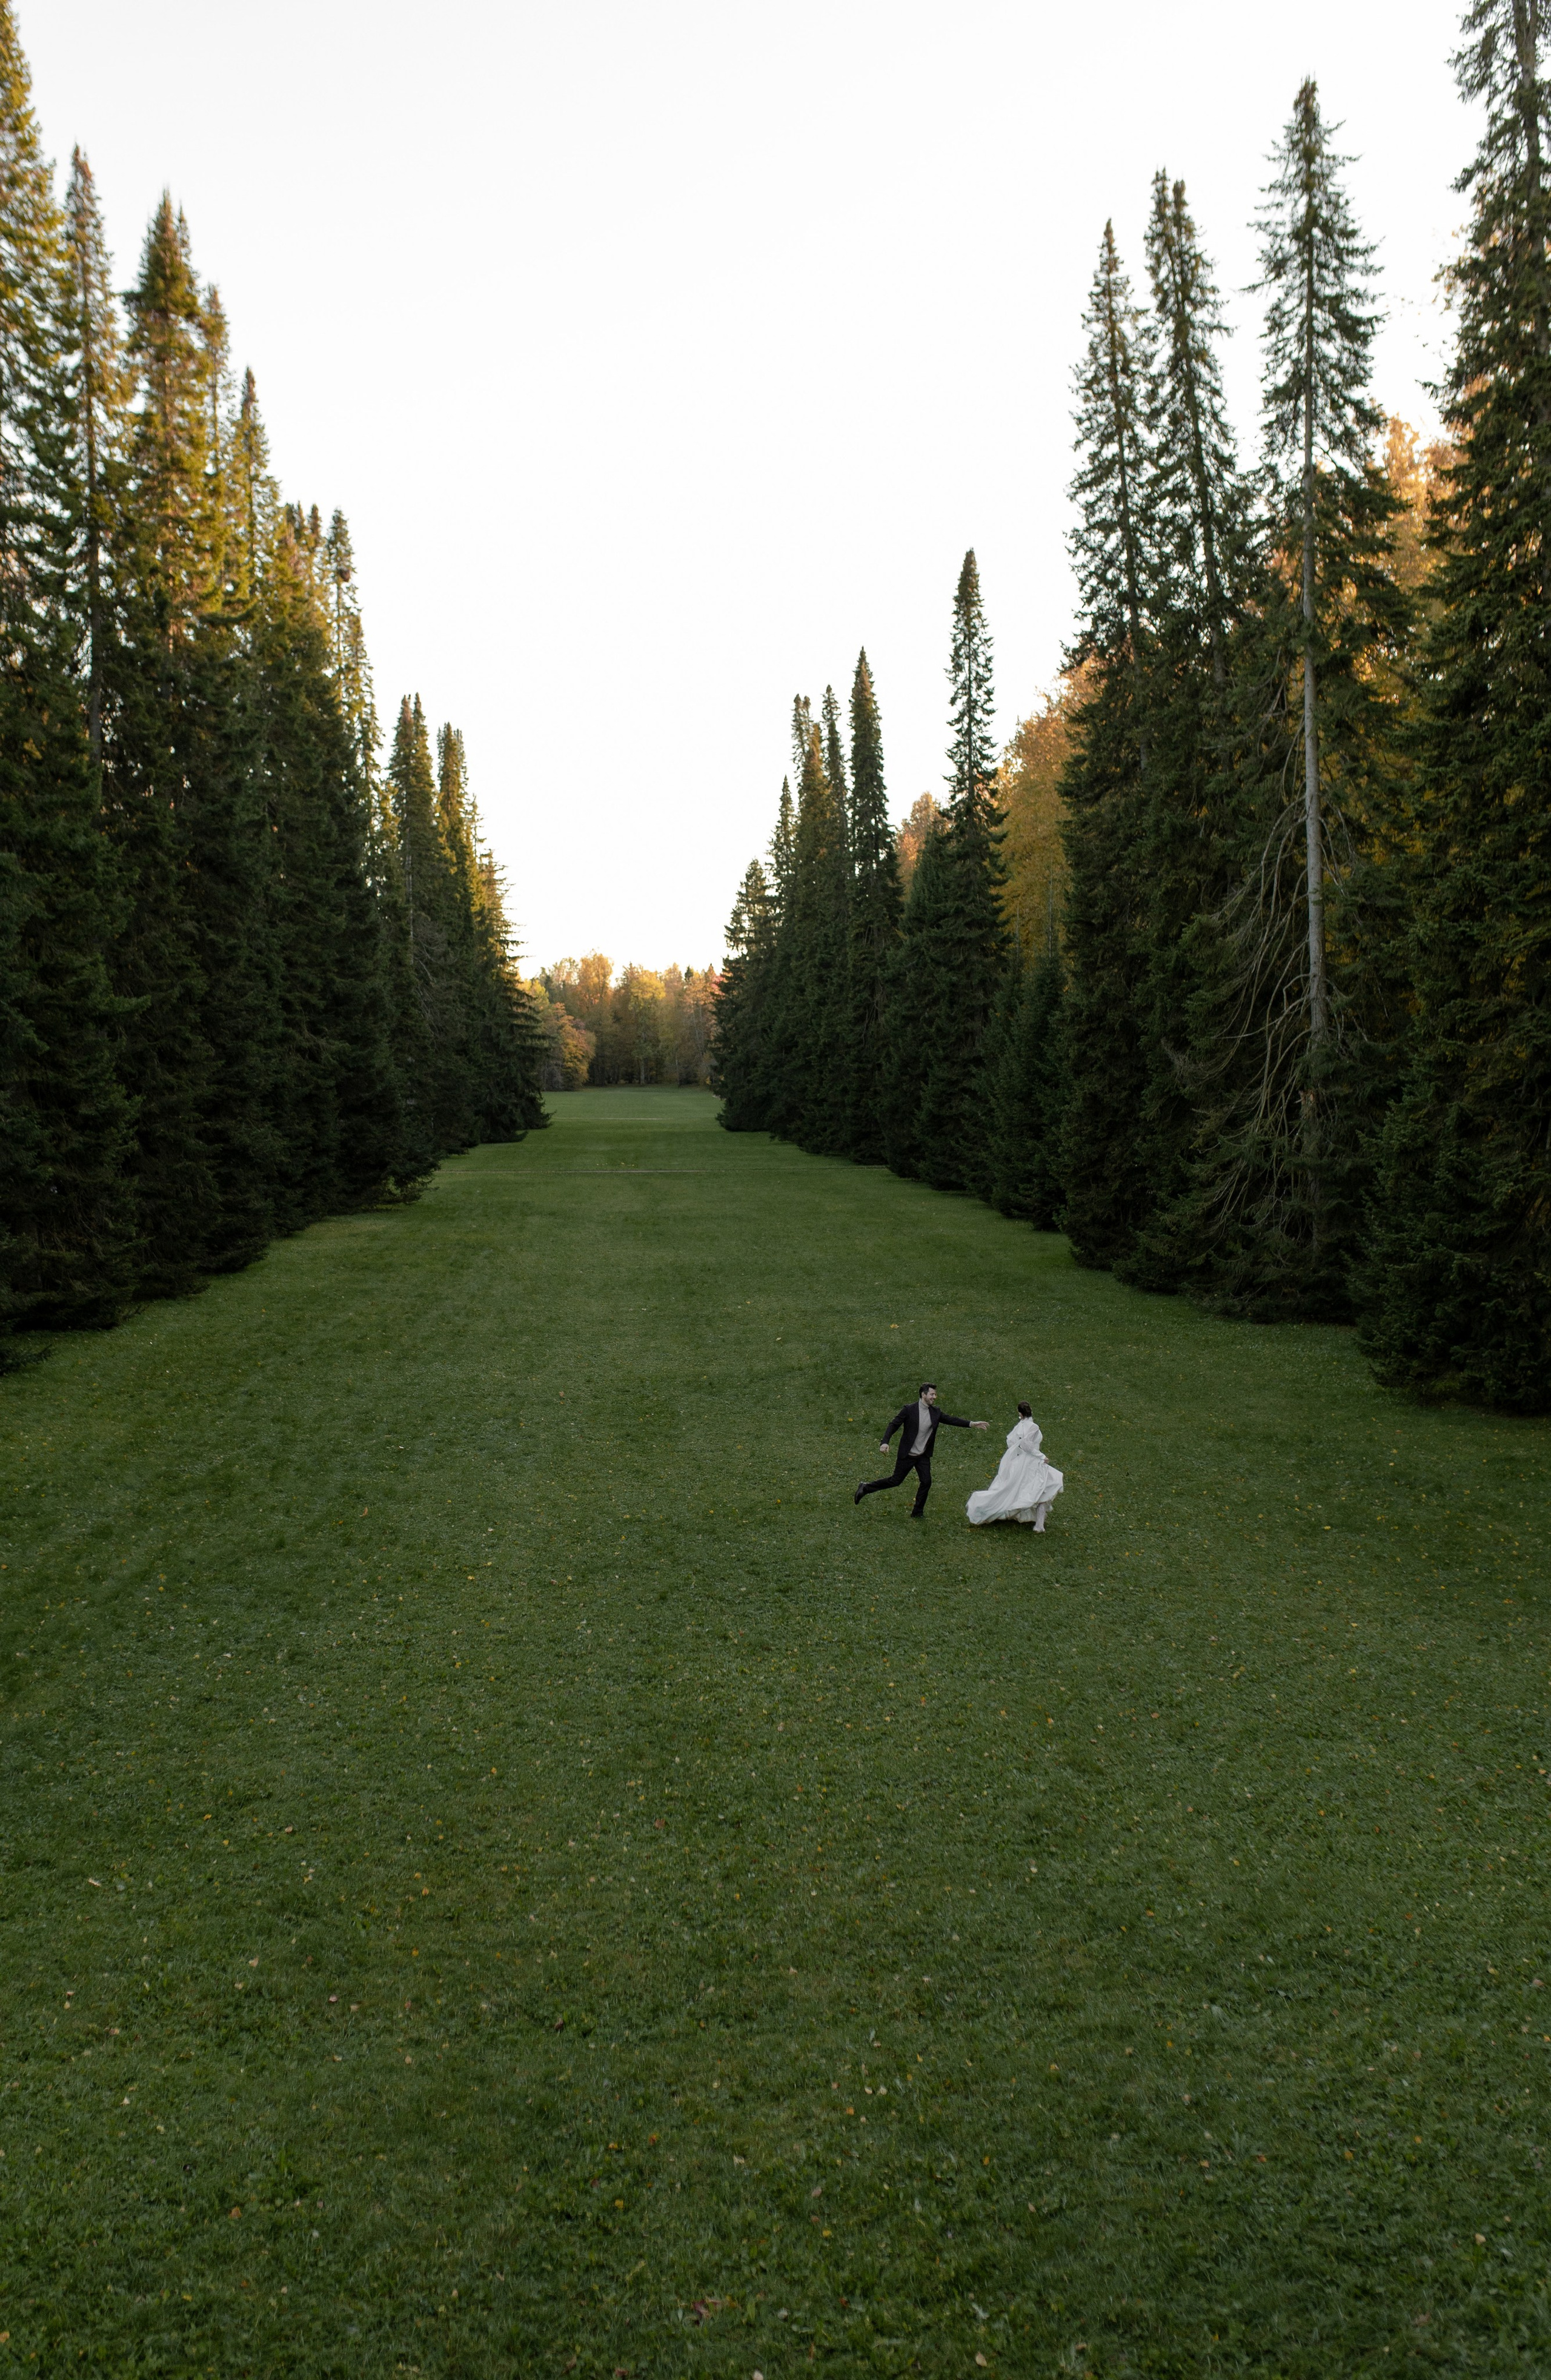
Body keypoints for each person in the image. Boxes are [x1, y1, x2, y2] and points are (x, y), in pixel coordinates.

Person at [854, 1383, 988, 1519]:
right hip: (908, 1454)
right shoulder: (909, 1410)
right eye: (932, 1394)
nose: (935, 1397)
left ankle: (917, 1513)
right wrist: (885, 1442)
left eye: (935, 1394)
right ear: (923, 1395)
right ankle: (865, 1488)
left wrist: (972, 1424)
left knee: (926, 1481)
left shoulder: (935, 1412)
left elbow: (951, 1420)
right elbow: (893, 1425)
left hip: (922, 1455)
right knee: (895, 1481)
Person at [966, 1401, 1063, 1531]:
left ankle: (1039, 1525)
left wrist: (1018, 1456)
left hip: (1023, 1461)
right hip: (1033, 1462)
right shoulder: (1033, 1427)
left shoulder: (1020, 1426)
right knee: (1047, 1486)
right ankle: (1039, 1525)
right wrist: (1042, 1456)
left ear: (1020, 1414)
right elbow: (1027, 1445)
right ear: (1031, 1410)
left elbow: (1011, 1442)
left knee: (1039, 1488)